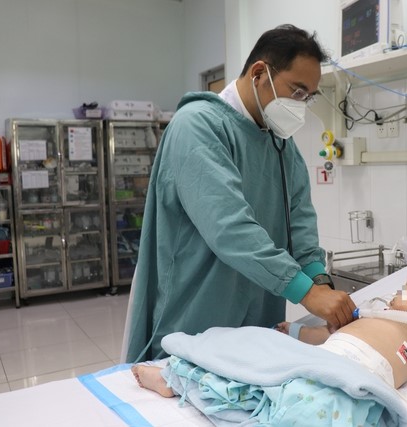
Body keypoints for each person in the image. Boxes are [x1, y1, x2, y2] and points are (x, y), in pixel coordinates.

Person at [123, 24, 356, 363]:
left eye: (308, 97)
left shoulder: (281, 144)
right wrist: (305, 292)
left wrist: (319, 280)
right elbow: (229, 228)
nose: (301, 105)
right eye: (297, 91)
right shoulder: (198, 126)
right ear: (259, 73)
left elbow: (300, 224)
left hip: (257, 317)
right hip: (195, 314)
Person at [131, 266, 407, 400]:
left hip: (356, 373)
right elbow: (327, 336)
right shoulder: (375, 315)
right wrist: (293, 333)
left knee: (285, 396)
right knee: (251, 352)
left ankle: (183, 383)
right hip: (323, 359)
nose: (397, 290)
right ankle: (181, 375)